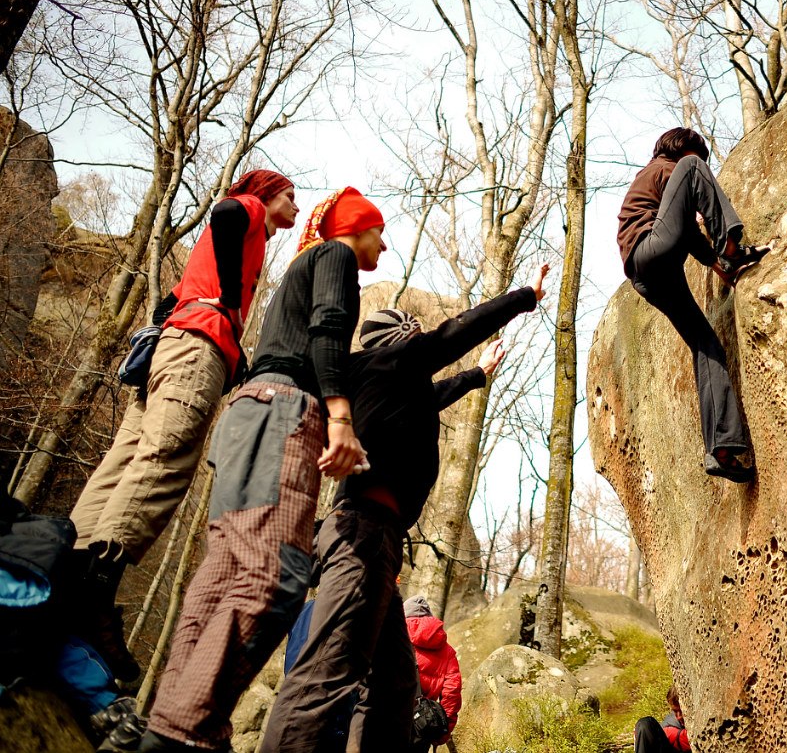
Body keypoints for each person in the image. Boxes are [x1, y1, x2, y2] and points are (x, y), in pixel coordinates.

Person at [259, 265, 549, 753]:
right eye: (412, 333)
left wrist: (479, 374)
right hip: (364, 537)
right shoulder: (394, 363)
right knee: (323, 677)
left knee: (394, 687)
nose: (419, 337)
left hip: (373, 540)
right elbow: (457, 331)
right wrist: (525, 297)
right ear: (399, 339)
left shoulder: (376, 383)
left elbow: (431, 395)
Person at [139, 187, 385, 753]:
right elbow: (327, 329)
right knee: (274, 576)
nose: (383, 243)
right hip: (286, 413)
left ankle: (169, 723)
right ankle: (184, 733)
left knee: (224, 571)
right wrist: (340, 416)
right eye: (378, 230)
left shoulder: (299, 269)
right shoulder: (336, 257)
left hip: (248, 411)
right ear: (357, 227)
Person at [68, 170, 299, 681]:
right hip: (196, 350)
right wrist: (231, 308)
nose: (296, 209)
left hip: (170, 349)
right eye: (290, 197)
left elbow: (165, 304)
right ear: (267, 194)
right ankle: (94, 589)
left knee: (127, 457)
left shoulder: (228, 247)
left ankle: (68, 565)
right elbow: (226, 212)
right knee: (166, 459)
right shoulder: (251, 211)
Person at [617, 128, 768, 483]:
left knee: (707, 346)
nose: (701, 163)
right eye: (697, 153)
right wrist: (725, 249)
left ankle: (722, 448)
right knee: (692, 169)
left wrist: (718, 266)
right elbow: (685, 210)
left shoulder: (661, 185)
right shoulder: (666, 166)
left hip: (649, 275)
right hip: (650, 251)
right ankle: (730, 243)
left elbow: (683, 231)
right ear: (679, 146)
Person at [402, 596, 462, 748]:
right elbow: (452, 694)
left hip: (388, 720)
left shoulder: (393, 638)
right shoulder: (447, 651)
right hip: (422, 726)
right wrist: (443, 731)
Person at [633, 686, 690, 753]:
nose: (679, 716)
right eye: (675, 711)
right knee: (644, 724)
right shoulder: (670, 725)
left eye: (681, 711)